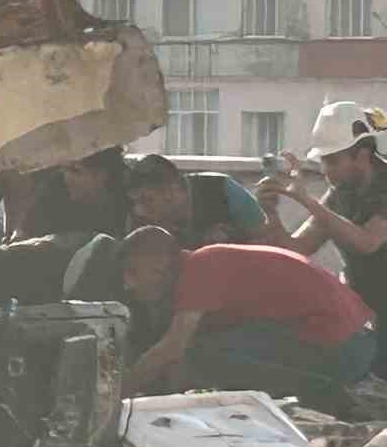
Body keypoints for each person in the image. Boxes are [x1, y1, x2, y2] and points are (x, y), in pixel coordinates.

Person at [120, 228, 377, 400]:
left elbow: (172, 349)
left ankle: (329, 400)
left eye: (133, 273)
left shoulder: (199, 269)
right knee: (206, 347)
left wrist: (117, 395)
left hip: (347, 351)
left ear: (158, 267)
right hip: (358, 341)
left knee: (204, 352)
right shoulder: (206, 264)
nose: (127, 285)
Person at [257, 102, 387, 366]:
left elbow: (368, 242)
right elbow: (298, 248)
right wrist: (270, 212)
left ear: (362, 156)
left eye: (332, 161)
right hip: (366, 309)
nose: (326, 170)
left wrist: (308, 201)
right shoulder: (339, 194)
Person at [126, 153, 268, 247]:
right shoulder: (142, 221)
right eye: (135, 202)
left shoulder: (224, 190)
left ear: (171, 191)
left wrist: (232, 241)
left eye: (146, 200)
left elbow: (265, 239)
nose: (139, 211)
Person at [8, 147, 130, 242]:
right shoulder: (55, 189)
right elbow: (23, 234)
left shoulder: (129, 197)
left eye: (75, 171)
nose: (67, 177)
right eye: (64, 169)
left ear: (102, 175)